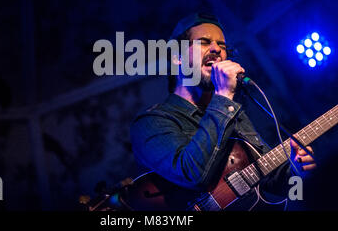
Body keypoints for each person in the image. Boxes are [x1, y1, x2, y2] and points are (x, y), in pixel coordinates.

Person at [129, 12, 316, 210]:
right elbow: (194, 175)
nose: (217, 49)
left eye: (222, 45)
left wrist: (296, 172)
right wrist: (224, 95)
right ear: (177, 57)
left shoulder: (234, 113)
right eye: (204, 42)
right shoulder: (151, 123)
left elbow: (269, 179)